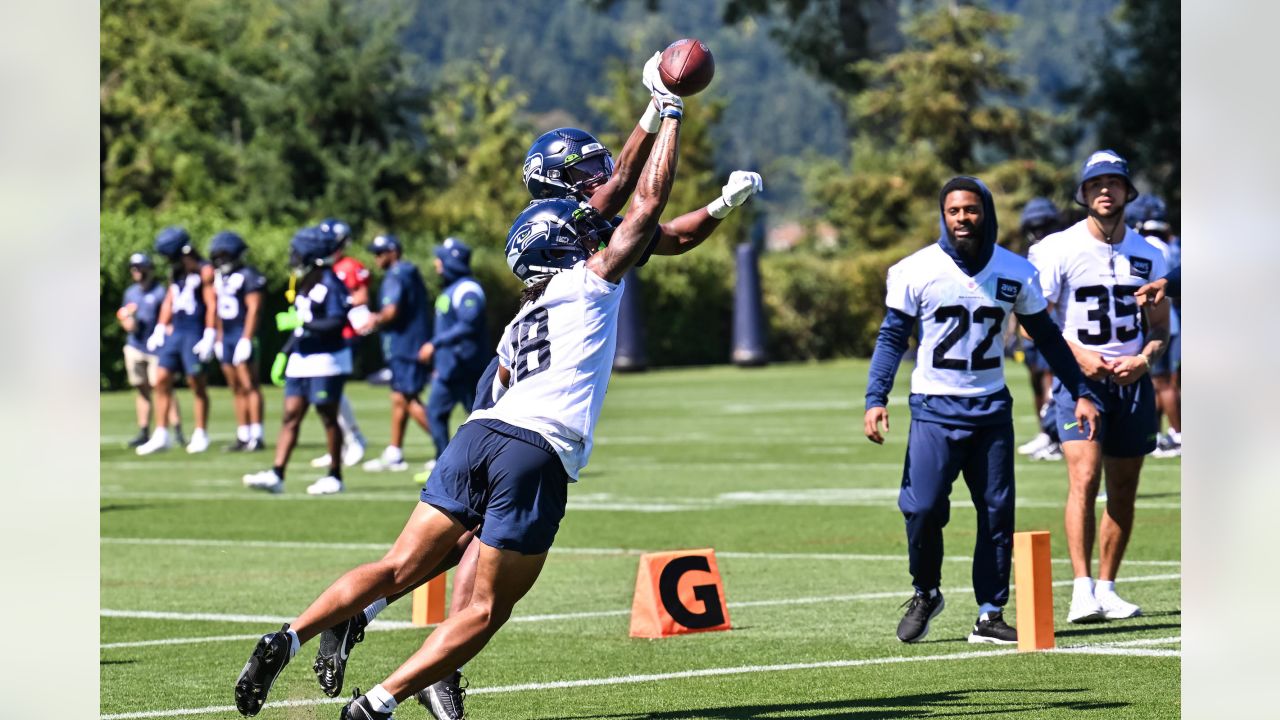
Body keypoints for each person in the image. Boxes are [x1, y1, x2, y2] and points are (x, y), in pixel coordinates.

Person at [303, 59, 764, 720]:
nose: (601, 174)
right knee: (481, 535)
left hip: (522, 378)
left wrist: (722, 202)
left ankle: (378, 623)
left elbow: (667, 233)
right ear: (560, 183)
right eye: (587, 169)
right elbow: (634, 195)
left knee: (470, 534)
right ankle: (429, 664)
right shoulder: (570, 225)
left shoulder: (581, 230)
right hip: (522, 394)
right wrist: (660, 107)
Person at [863, 176, 1099, 645]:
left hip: (990, 408)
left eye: (970, 210)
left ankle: (990, 613)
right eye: (953, 211)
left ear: (985, 213)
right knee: (923, 508)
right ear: (943, 215)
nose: (962, 218)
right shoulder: (915, 269)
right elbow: (892, 338)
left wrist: (1081, 389)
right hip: (934, 408)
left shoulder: (1015, 270)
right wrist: (876, 398)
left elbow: (1047, 337)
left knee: (996, 513)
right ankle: (926, 591)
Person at [1028, 149, 1171, 623]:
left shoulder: (1151, 255)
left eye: (1113, 183)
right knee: (1084, 478)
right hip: (1079, 381)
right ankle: (1080, 588)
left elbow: (1159, 329)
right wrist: (1078, 355)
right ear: (1083, 194)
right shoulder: (1057, 249)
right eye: (1096, 185)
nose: (1105, 191)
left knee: (1125, 487)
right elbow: (1031, 324)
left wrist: (1145, 359)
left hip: (1131, 382)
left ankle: (1107, 588)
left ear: (1128, 192)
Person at [242, 227, 353, 496]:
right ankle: (277, 473)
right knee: (291, 414)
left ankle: (335, 475)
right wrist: (285, 352)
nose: (294, 257)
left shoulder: (330, 283)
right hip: (301, 357)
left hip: (327, 359)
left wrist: (306, 323)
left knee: (327, 415)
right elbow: (301, 327)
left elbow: (338, 322)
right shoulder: (304, 282)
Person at [357, 234, 434, 473]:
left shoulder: (396, 275)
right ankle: (394, 451)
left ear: (393, 252)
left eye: (380, 253)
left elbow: (391, 311)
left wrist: (373, 319)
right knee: (399, 397)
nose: (376, 258)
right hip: (410, 344)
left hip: (405, 347)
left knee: (408, 398)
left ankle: (449, 448)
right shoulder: (409, 272)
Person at [136, 226, 216, 455]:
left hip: (195, 330)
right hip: (176, 331)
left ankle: (201, 432)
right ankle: (161, 434)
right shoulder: (176, 272)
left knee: (195, 382)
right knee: (160, 379)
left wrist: (210, 333)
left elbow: (211, 303)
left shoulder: (204, 270)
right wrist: (160, 327)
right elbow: (170, 301)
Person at [415, 237, 489, 481]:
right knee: (435, 412)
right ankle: (443, 465)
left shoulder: (468, 289)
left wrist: (435, 344)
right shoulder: (451, 289)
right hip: (449, 369)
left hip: (466, 368)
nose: (437, 264)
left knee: (480, 418)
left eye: (441, 259)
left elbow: (469, 325)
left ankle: (485, 466)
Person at [309, 218, 370, 469]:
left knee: (332, 393)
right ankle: (337, 444)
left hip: (343, 334)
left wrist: (339, 304)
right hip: (326, 336)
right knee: (324, 395)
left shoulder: (350, 266)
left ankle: (353, 438)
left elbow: (362, 297)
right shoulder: (320, 267)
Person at [1126, 195, 1182, 458]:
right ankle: (1162, 433)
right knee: (1165, 381)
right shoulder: (1171, 245)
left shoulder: (1146, 247)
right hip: (1172, 320)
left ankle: (1177, 433)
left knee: (1162, 382)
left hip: (1157, 321)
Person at [1014, 198, 1068, 461]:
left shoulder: (1060, 248)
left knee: (1050, 379)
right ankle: (1047, 434)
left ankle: (1056, 433)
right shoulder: (1029, 251)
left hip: (1052, 326)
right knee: (1037, 380)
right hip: (1029, 325)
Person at [117, 252, 183, 447]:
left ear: (149, 269)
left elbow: (170, 318)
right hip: (135, 346)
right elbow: (125, 320)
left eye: (140, 267)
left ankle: (177, 430)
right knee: (142, 389)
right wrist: (128, 321)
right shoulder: (130, 293)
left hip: (156, 348)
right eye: (134, 268)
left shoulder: (160, 292)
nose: (136, 271)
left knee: (163, 388)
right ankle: (144, 430)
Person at [210, 231, 268, 452]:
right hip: (227, 336)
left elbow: (254, 308)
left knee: (249, 384)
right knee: (235, 386)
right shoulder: (220, 277)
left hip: (243, 334)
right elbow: (217, 309)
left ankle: (257, 434)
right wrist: (217, 337)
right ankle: (243, 434)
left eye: (224, 255)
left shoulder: (249, 275)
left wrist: (246, 338)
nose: (220, 260)